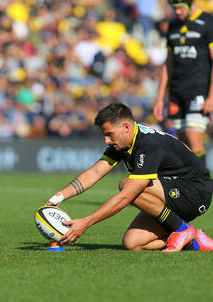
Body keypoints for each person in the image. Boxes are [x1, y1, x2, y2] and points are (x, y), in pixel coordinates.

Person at [47, 102, 213, 252]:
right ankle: (194, 240)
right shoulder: (123, 141)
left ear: (126, 127)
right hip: (172, 192)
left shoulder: (149, 145)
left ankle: (181, 229)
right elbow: (95, 172)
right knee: (132, 243)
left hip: (195, 192)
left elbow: (126, 196)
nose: (106, 140)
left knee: (127, 185)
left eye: (109, 134)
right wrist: (59, 196)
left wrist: (86, 222)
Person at [153, 0, 213, 166]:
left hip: (199, 90)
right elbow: (168, 64)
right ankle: (191, 185)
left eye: (180, 8)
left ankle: (203, 187)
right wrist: (159, 99)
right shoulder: (173, 25)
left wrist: (211, 97)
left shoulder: (208, 22)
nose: (177, 12)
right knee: (184, 143)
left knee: (194, 137)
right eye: (174, 9)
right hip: (177, 92)